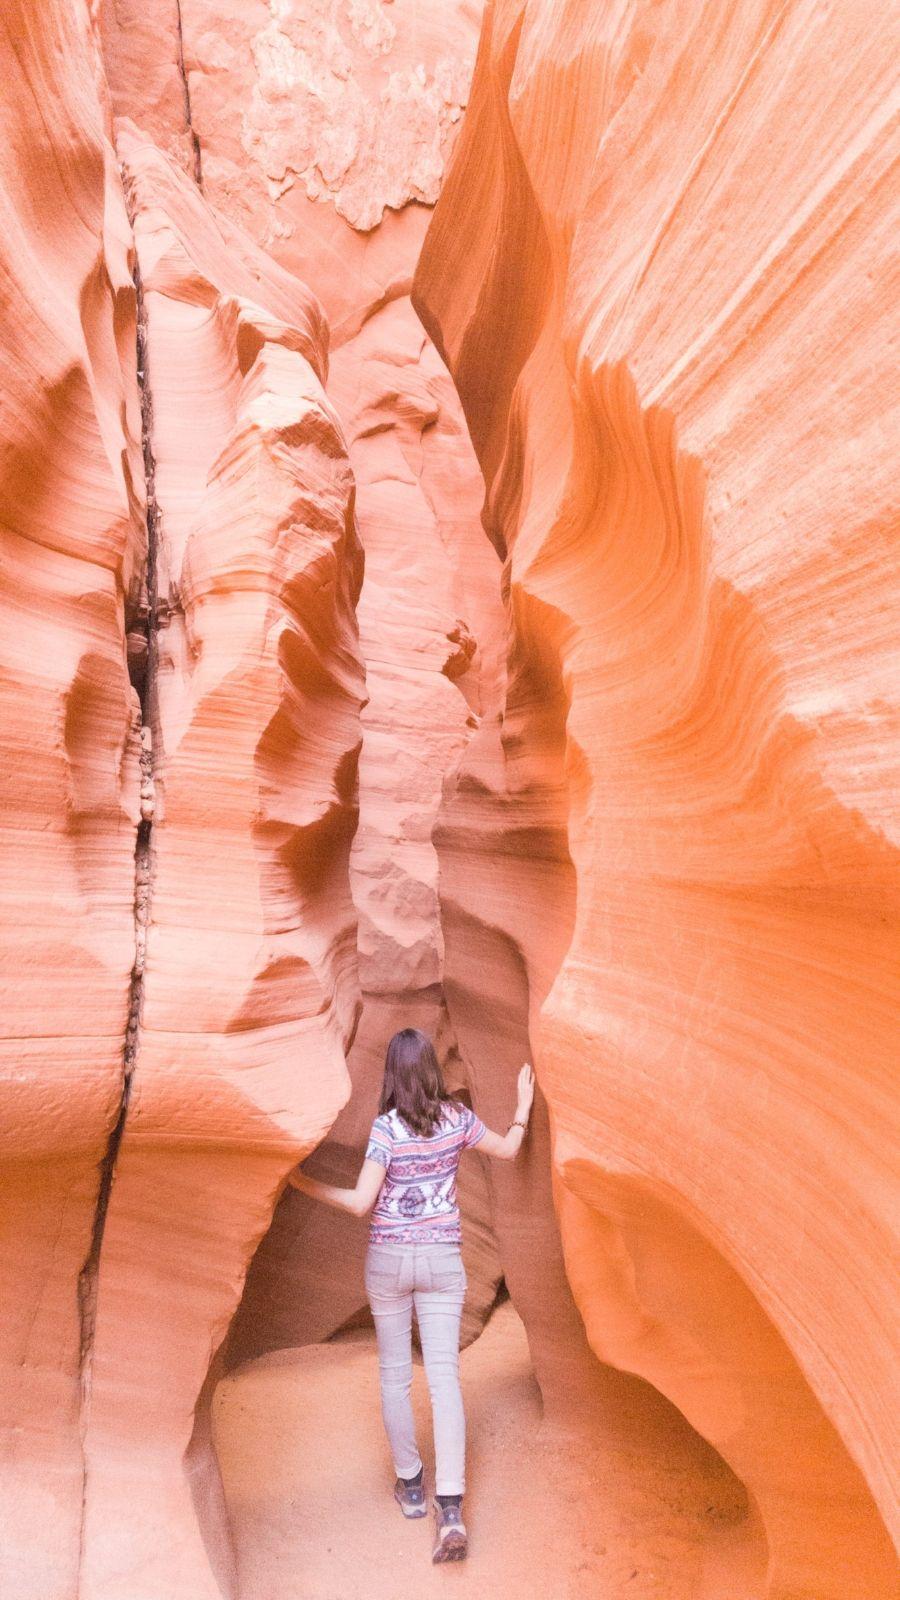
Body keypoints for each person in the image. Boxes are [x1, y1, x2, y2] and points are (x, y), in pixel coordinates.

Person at [288, 1027, 535, 1563]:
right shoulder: (458, 1120)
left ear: (394, 1076)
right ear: (431, 1072)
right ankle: (452, 1511)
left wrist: (302, 1182)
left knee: (396, 1377)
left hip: (391, 1262)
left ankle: (412, 1487)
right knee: (445, 1380)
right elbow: (512, 1149)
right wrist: (522, 1105)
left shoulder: (386, 1128)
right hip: (443, 1262)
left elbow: (359, 1203)